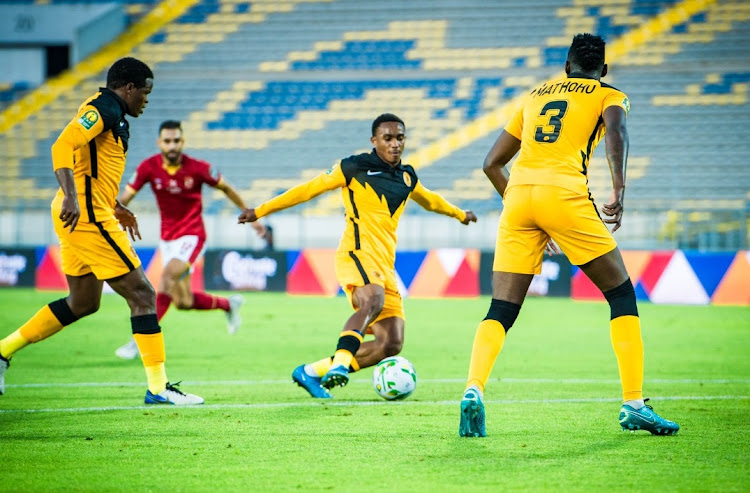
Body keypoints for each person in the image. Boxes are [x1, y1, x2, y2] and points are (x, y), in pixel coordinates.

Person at [458, 34, 679, 437]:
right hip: (565, 194)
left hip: (519, 197)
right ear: (604, 70)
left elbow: (491, 163)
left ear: (566, 66)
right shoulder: (608, 94)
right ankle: (634, 403)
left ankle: (474, 389)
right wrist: (620, 187)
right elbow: (617, 133)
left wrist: (530, 210)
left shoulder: (534, 96)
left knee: (502, 310)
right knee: (621, 294)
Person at [0, 58, 202, 405]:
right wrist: (72, 197)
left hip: (90, 209)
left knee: (83, 302)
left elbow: (93, 166)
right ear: (129, 88)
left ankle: (3, 351)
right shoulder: (102, 108)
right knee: (142, 294)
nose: (146, 99)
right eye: (145, 92)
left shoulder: (113, 114)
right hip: (87, 214)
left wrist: (116, 204)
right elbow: (61, 146)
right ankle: (158, 388)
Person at [238, 113, 477, 398]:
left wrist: (460, 214)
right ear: (374, 141)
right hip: (356, 253)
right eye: (387, 138)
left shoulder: (407, 176)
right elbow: (308, 190)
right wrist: (260, 211)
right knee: (372, 301)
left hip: (385, 265)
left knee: (391, 343)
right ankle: (340, 364)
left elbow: (431, 200)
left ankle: (312, 371)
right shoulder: (353, 167)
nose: (395, 144)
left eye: (400, 137)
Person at [113, 120, 265, 360]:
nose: (172, 146)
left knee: (166, 277)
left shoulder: (198, 168)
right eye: (167, 141)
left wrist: (252, 216)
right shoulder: (148, 167)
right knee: (183, 301)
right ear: (159, 143)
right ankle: (229, 305)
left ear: (182, 141)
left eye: (176, 140)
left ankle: (139, 341)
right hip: (168, 238)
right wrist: (112, 216)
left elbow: (227, 188)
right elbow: (126, 198)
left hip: (193, 235)